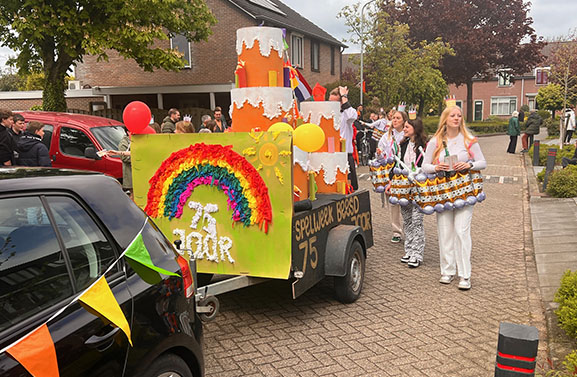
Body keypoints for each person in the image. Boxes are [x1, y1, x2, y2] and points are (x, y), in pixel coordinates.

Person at [422, 106, 487, 290]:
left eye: (459, 115)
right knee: (445, 232)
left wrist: (468, 164)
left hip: (464, 192)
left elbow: (483, 162)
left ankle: (465, 275)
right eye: (453, 115)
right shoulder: (435, 142)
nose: (456, 118)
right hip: (443, 193)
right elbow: (424, 166)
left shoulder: (469, 140)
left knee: (461, 231)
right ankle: (447, 271)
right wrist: (436, 167)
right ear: (445, 119)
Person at [391, 117, 427, 267]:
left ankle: (418, 254)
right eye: (404, 127)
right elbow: (396, 164)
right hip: (404, 187)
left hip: (418, 187)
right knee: (407, 220)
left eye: (407, 127)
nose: (404, 129)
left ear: (415, 128)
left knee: (417, 220)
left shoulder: (425, 146)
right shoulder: (403, 144)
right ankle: (409, 250)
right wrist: (390, 181)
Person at [376, 110, 406, 243]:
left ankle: (408, 227)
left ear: (404, 121)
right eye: (393, 118)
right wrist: (379, 154)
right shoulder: (386, 136)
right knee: (393, 203)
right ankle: (396, 231)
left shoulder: (407, 135)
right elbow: (381, 156)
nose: (395, 120)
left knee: (405, 201)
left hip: (403, 171)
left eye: (398, 118)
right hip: (390, 172)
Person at [329, 86, 358, 191]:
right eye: (330, 102)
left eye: (335, 103)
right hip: (331, 156)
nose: (331, 105)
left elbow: (352, 116)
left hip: (345, 156)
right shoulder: (327, 114)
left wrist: (344, 96)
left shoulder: (347, 114)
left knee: (349, 189)